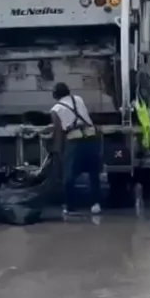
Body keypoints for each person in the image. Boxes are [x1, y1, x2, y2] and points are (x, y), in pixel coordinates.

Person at [50, 82, 102, 216]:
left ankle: (71, 206)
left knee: (68, 176)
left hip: (74, 143)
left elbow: (58, 133)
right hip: (91, 139)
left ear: (55, 95)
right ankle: (95, 204)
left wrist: (58, 151)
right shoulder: (78, 99)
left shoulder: (56, 109)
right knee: (93, 173)